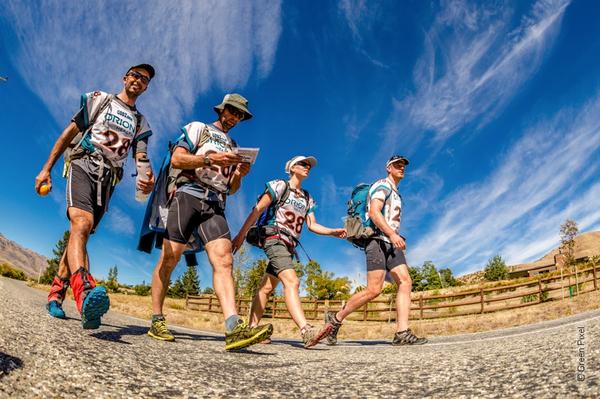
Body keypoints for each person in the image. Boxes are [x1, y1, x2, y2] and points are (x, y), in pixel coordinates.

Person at [147, 93, 273, 350]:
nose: (235, 118)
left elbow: (232, 188)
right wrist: (209, 158)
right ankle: (157, 319)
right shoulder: (198, 128)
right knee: (170, 258)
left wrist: (239, 174)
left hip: (215, 202)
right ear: (222, 110)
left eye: (240, 115)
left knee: (225, 259)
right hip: (187, 195)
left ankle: (233, 327)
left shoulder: (234, 144)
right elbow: (178, 159)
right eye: (233, 112)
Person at [35, 64, 156, 328]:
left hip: (108, 179)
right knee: (81, 222)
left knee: (82, 233)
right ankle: (86, 293)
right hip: (83, 163)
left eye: (145, 79)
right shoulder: (100, 100)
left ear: (146, 87)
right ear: (125, 77)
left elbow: (141, 155)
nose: (139, 80)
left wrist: (146, 175)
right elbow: (69, 133)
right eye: (135, 74)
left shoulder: (140, 122)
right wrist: (46, 169)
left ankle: (56, 294)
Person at [232, 156, 346, 348]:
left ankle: (252, 328)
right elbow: (257, 210)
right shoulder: (279, 186)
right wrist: (241, 234)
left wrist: (333, 232)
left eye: (309, 165)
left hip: (290, 245)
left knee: (266, 287)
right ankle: (306, 331)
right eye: (303, 164)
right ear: (292, 167)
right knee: (292, 281)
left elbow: (312, 225)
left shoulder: (308, 197)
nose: (307, 167)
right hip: (275, 238)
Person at [324, 155, 427, 345]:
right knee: (374, 290)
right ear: (388, 168)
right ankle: (336, 319)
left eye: (403, 165)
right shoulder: (383, 185)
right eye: (397, 165)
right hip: (377, 241)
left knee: (405, 282)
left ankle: (402, 332)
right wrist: (392, 234)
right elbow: (373, 212)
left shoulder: (395, 192)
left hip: (390, 242)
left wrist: (394, 235)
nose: (401, 168)